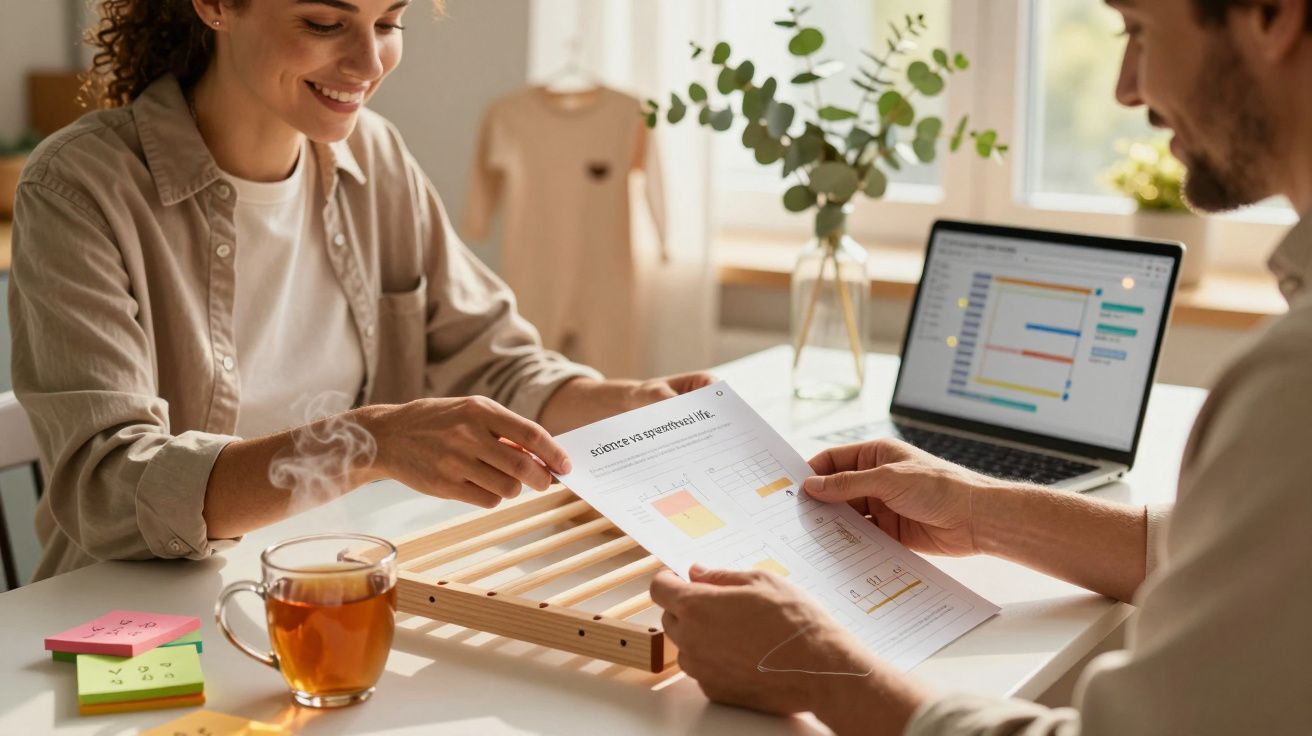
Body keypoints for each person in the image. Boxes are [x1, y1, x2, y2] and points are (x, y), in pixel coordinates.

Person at [651, 0, 1312, 733]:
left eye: (1140, 29)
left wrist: (818, 665)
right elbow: (1262, 556)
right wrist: (981, 511)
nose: (1128, 88)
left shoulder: (1293, 383)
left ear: (1272, 15)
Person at [7, 0, 711, 582]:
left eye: (388, 22)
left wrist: (625, 406)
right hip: (135, 620)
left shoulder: (376, 156)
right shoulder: (81, 187)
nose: (370, 65)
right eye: (324, 24)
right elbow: (107, 487)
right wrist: (367, 442)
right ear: (217, 6)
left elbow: (493, 363)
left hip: (339, 587)